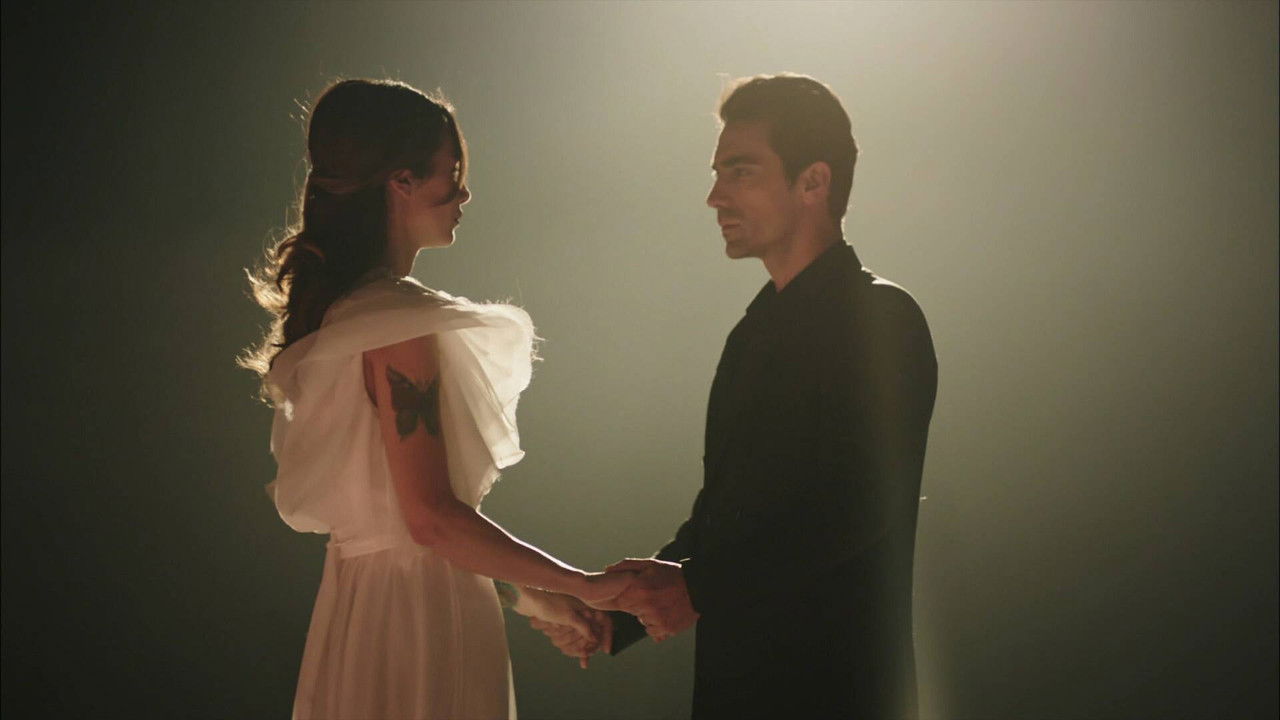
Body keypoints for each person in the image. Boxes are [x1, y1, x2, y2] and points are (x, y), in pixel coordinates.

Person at [531, 74, 938, 719]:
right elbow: (725, 517)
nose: (715, 196)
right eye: (718, 174)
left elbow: (861, 505)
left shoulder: (883, 317)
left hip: (840, 688)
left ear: (814, 181)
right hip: (738, 686)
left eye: (741, 172)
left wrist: (694, 587)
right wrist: (622, 615)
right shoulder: (752, 332)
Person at [241, 78, 626, 720]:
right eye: (451, 172)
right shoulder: (396, 325)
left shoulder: (345, 316)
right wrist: (584, 583)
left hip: (360, 611)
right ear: (402, 181)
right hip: (417, 621)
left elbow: (401, 528)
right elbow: (429, 521)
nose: (464, 192)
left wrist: (531, 594)